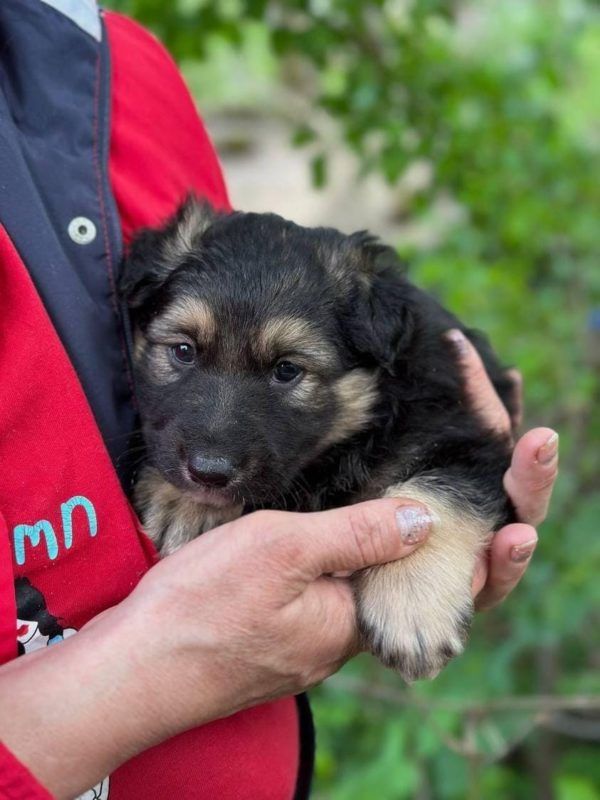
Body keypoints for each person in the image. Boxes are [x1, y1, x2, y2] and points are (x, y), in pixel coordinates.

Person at [0, 2, 558, 799]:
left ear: (373, 358)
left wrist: (427, 543)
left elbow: (467, 457)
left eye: (287, 373)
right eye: (183, 353)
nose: (213, 444)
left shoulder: (125, 64)